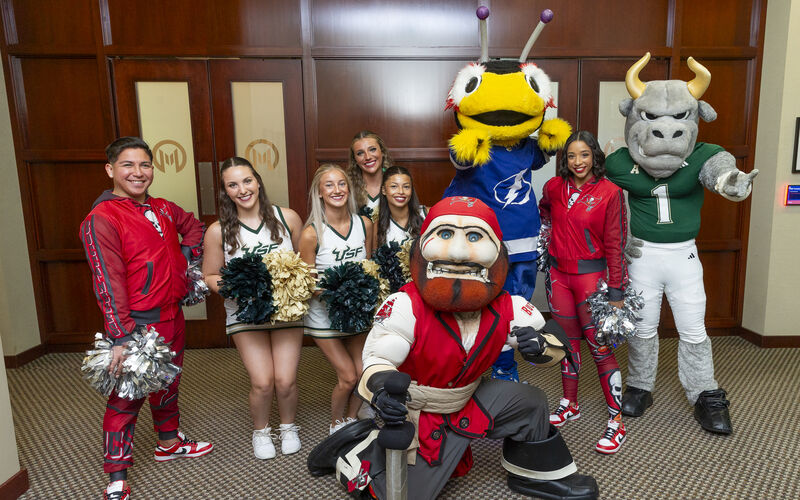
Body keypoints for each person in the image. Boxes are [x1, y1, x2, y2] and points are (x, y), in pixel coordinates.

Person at [307, 196, 598, 500]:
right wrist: (381, 391)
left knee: (529, 401)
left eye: (474, 237)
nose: (458, 253)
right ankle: (352, 452)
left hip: (468, 396)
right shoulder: (405, 305)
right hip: (419, 410)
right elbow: (377, 361)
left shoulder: (508, 307)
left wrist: (539, 347)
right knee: (406, 495)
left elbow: (553, 341)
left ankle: (533, 477)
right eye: (445, 235)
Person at [80, 137, 213, 500]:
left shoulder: (164, 207)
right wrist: (121, 337)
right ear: (110, 169)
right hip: (138, 324)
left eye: (144, 165)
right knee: (126, 397)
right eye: (128, 165)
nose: (138, 173)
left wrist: (185, 260)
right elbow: (108, 282)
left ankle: (168, 442)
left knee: (169, 382)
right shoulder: (101, 219)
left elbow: (195, 228)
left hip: (172, 315)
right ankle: (117, 477)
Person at [202, 157, 304, 460]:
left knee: (285, 381)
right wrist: (240, 290)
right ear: (225, 192)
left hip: (286, 312)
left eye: (247, 181)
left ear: (257, 181)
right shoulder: (218, 231)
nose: (242, 189)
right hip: (244, 313)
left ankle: (288, 426)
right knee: (262, 382)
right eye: (232, 185)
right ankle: (261, 431)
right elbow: (210, 275)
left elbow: (304, 262)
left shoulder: (288, 218)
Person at [538, 131, 628, 454]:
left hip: (592, 280)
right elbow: (544, 211)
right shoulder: (553, 187)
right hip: (559, 277)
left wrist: (616, 292)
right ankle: (570, 403)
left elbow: (617, 244)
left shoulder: (610, 192)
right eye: (572, 156)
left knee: (600, 350)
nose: (578, 162)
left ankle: (616, 423)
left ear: (595, 157)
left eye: (585, 155)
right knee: (566, 343)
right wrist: (548, 241)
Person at [299, 163, 374, 434]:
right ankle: (335, 423)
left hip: (357, 313)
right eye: (329, 185)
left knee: (364, 373)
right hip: (324, 314)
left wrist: (360, 291)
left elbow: (370, 266)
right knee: (348, 377)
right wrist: (340, 291)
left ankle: (352, 418)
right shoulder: (311, 234)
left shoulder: (364, 224)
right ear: (319, 193)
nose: (337, 190)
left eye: (341, 183)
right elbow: (306, 283)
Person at [373, 165, 427, 248]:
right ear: (383, 190)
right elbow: (375, 259)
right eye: (394, 186)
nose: (401, 191)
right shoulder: (378, 226)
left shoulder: (427, 213)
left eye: (406, 187)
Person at [347, 130, 394, 216]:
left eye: (372, 150)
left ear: (382, 152)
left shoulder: (397, 184)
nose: (368, 157)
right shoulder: (347, 189)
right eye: (360, 153)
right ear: (355, 160)